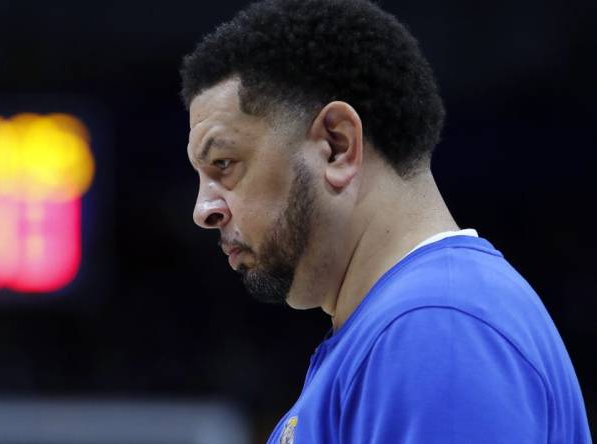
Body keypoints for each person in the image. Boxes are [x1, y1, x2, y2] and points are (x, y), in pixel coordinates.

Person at [180, 0, 592, 442]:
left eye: (224, 163)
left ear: (337, 145)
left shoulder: (435, 327)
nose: (203, 210)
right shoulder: (400, 327)